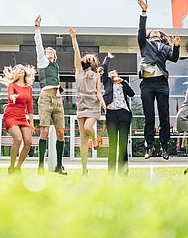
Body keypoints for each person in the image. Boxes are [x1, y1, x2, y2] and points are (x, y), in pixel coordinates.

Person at [137, 0, 180, 160]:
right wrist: (144, 12)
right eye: (152, 31)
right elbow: (141, 32)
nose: (154, 32)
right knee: (149, 115)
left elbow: (174, 58)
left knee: (164, 116)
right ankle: (149, 146)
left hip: (161, 83)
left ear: (161, 37)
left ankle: (164, 147)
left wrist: (176, 46)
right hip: (147, 84)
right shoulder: (144, 44)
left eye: (157, 32)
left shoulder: (165, 48)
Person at [69, 27, 106, 175]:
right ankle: (84, 169)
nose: (88, 59)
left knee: (88, 128)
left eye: (91, 59)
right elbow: (77, 53)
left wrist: (102, 101)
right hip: (81, 104)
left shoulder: (97, 75)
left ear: (94, 62)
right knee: (83, 139)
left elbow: (98, 91)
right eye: (87, 58)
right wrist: (73, 38)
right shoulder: (78, 71)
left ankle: (96, 140)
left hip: (93, 104)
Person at [34, 16, 67, 175]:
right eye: (46, 51)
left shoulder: (56, 66)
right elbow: (38, 46)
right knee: (45, 131)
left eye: (50, 51)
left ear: (54, 55)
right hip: (45, 99)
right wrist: (37, 28)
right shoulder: (42, 62)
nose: (47, 51)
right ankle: (40, 166)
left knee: (61, 132)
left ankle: (59, 166)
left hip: (57, 100)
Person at [102, 52, 135, 175]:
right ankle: (110, 172)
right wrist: (108, 59)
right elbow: (104, 70)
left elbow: (132, 94)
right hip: (111, 114)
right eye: (111, 75)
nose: (113, 76)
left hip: (124, 114)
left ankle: (123, 172)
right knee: (113, 144)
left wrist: (124, 82)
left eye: (114, 75)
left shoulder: (123, 85)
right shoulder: (107, 83)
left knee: (123, 143)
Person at [0, 64, 35, 174]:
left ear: (25, 72)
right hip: (11, 115)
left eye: (22, 69)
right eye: (17, 69)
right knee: (18, 139)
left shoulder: (28, 88)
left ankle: (18, 167)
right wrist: (12, 97)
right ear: (15, 73)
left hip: (22, 117)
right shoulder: (12, 85)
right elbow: (10, 95)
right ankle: (11, 166)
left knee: (28, 141)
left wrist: (31, 123)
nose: (20, 70)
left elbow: (30, 106)